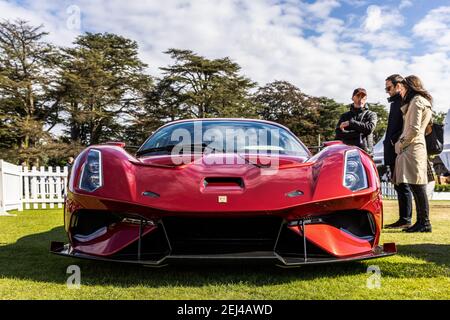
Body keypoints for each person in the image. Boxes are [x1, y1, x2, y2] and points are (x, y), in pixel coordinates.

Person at [394, 75, 433, 233]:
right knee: (416, 186)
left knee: (418, 186)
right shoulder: (421, 101)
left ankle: (424, 223)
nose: (401, 90)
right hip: (415, 146)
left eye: (403, 87)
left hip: (412, 147)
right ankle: (422, 222)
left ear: (409, 86)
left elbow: (414, 129)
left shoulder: (417, 101)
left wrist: (400, 144)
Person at [383, 75, 413, 229]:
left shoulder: (404, 101)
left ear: (398, 85)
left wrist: (395, 141)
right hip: (392, 148)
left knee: (403, 184)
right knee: (398, 185)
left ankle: (406, 219)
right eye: (386, 88)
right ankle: (403, 219)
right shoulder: (395, 102)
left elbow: (406, 126)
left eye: (389, 88)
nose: (387, 91)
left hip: (399, 149)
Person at [335, 88, 378, 155]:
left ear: (366, 98)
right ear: (352, 98)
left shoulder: (371, 114)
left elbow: (369, 129)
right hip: (347, 153)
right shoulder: (344, 116)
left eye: (363, 97)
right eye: (358, 96)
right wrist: (359, 133)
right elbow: (338, 134)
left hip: (366, 153)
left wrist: (351, 123)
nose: (360, 99)